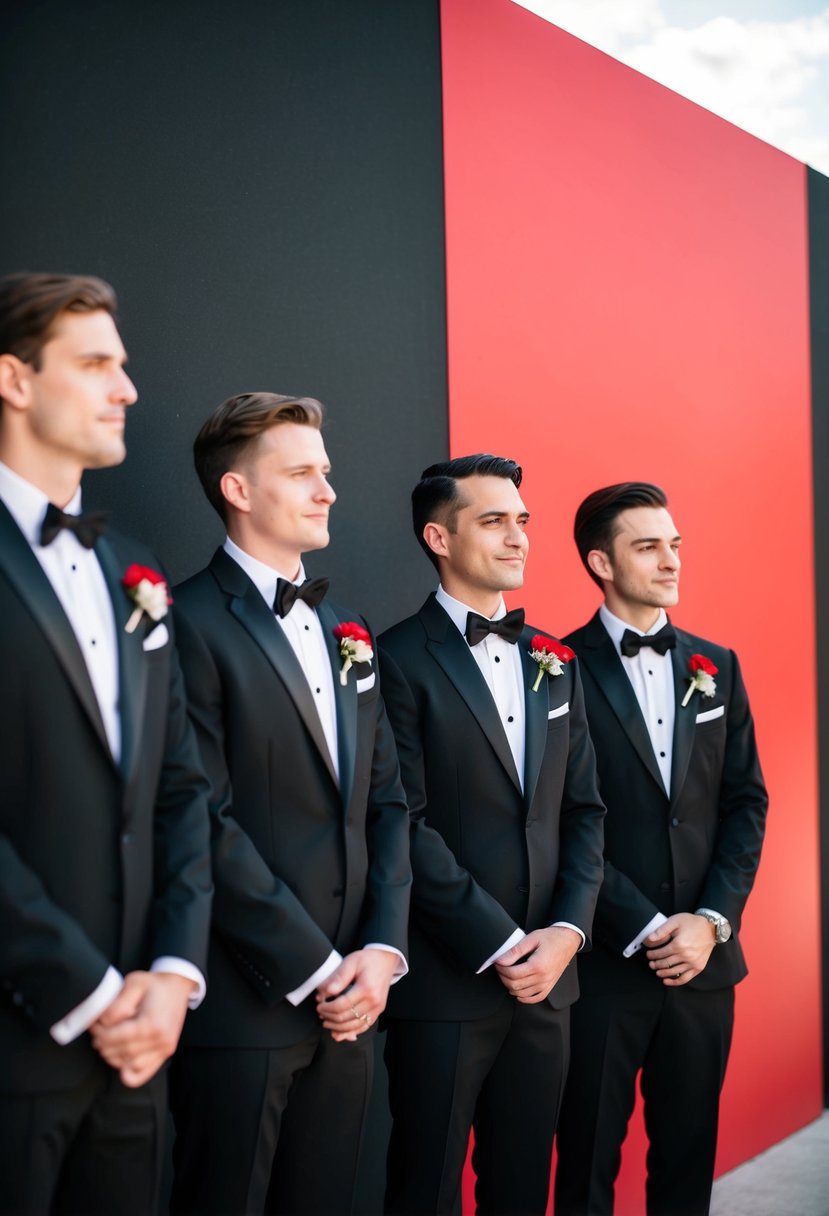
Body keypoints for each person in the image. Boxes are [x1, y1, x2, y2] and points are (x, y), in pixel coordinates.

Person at [168, 392, 411, 1215]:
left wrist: (379, 952)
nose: (328, 490)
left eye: (327, 472)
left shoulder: (348, 626)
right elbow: (199, 814)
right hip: (245, 1003)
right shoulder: (182, 622)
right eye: (302, 472)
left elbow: (387, 803)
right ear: (238, 491)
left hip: (356, 999)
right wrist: (314, 968)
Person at [0, 271, 213, 1216]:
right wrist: (89, 995)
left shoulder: (138, 569)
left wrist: (170, 978)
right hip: (17, 1041)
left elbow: (179, 789)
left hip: (143, 1049)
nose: (126, 390)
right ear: (14, 379)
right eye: (95, 365)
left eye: (122, 366)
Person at [376, 454, 606, 1215]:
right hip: (447, 979)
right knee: (425, 1184)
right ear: (438, 538)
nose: (518, 538)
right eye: (493, 520)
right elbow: (402, 817)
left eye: (522, 521)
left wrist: (568, 932)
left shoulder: (555, 658)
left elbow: (583, 811)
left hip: (551, 981)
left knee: (521, 1187)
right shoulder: (395, 658)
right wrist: (501, 942)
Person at [553, 481, 768, 1216]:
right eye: (647, 546)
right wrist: (647, 927)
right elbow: (562, 818)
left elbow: (745, 803)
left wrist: (709, 921)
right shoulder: (557, 666)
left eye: (673, 543)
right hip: (607, 964)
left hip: (704, 965)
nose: (670, 558)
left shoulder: (718, 664)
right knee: (584, 1160)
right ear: (601, 562)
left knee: (686, 1162)